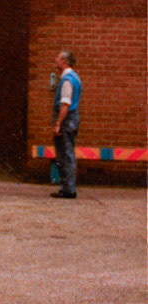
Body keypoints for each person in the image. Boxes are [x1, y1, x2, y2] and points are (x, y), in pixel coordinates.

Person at [51, 49, 82, 199]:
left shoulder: (67, 80)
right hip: (72, 119)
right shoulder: (74, 78)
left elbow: (65, 104)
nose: (56, 60)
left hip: (66, 121)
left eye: (58, 57)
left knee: (65, 153)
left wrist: (57, 124)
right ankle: (67, 186)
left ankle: (68, 188)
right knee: (66, 153)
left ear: (64, 61)